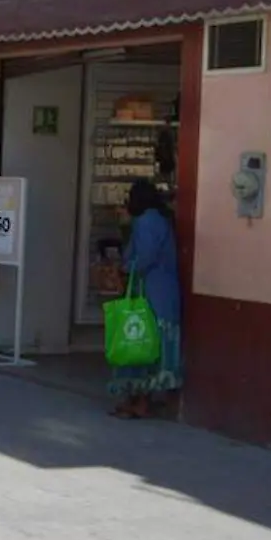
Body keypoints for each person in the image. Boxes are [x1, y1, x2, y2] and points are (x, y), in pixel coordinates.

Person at [110, 179, 183, 419]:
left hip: (151, 294)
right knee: (155, 348)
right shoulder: (159, 219)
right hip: (164, 294)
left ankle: (140, 401)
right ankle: (144, 400)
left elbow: (144, 257)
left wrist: (124, 269)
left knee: (141, 345)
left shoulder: (146, 221)